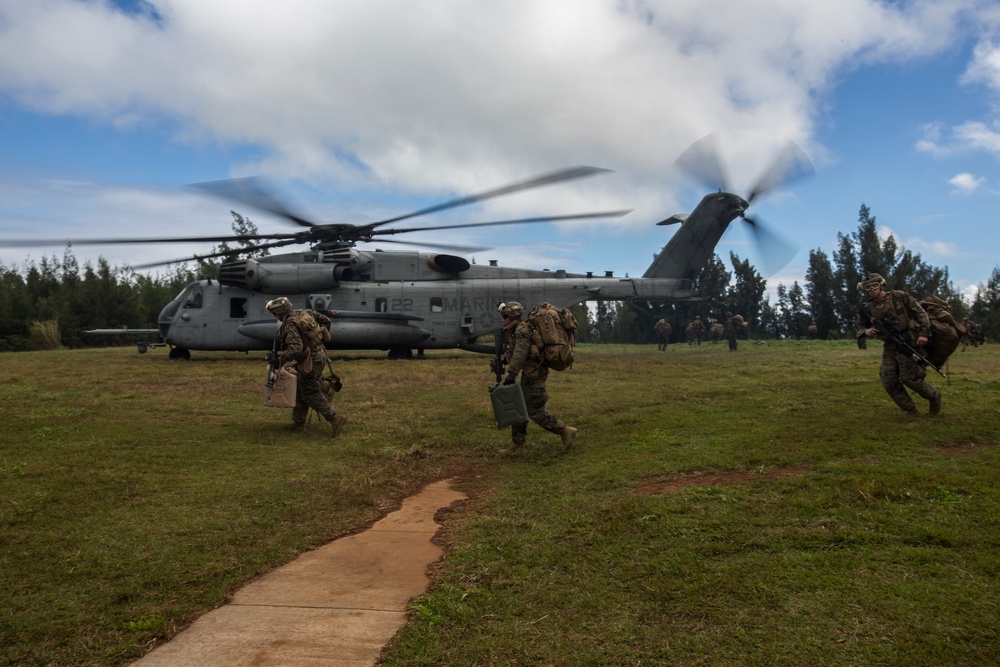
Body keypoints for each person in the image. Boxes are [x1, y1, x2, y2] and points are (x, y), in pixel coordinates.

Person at [856, 273, 942, 417]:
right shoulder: (867, 308)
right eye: (867, 288)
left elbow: (920, 313)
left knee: (910, 379)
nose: (871, 290)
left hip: (908, 343)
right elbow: (860, 327)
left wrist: (923, 333)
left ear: (881, 285)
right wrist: (866, 331)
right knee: (887, 378)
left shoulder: (899, 297)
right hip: (890, 346)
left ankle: (934, 396)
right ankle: (910, 409)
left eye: (874, 286)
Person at [498, 301, 576, 453]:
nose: (503, 319)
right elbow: (520, 353)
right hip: (529, 373)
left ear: (513, 316)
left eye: (505, 316)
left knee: (533, 409)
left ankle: (565, 431)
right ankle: (518, 445)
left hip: (535, 374)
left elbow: (521, 353)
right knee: (520, 408)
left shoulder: (521, 330)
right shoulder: (514, 330)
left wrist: (512, 373)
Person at [266, 297, 347, 435]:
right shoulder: (304, 313)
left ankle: (334, 418)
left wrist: (279, 360)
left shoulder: (290, 325)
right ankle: (298, 423)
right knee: (300, 388)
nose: (276, 317)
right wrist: (316, 341)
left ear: (279, 313)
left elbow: (295, 349)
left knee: (310, 393)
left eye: (275, 314)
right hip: (319, 354)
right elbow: (326, 321)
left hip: (310, 361)